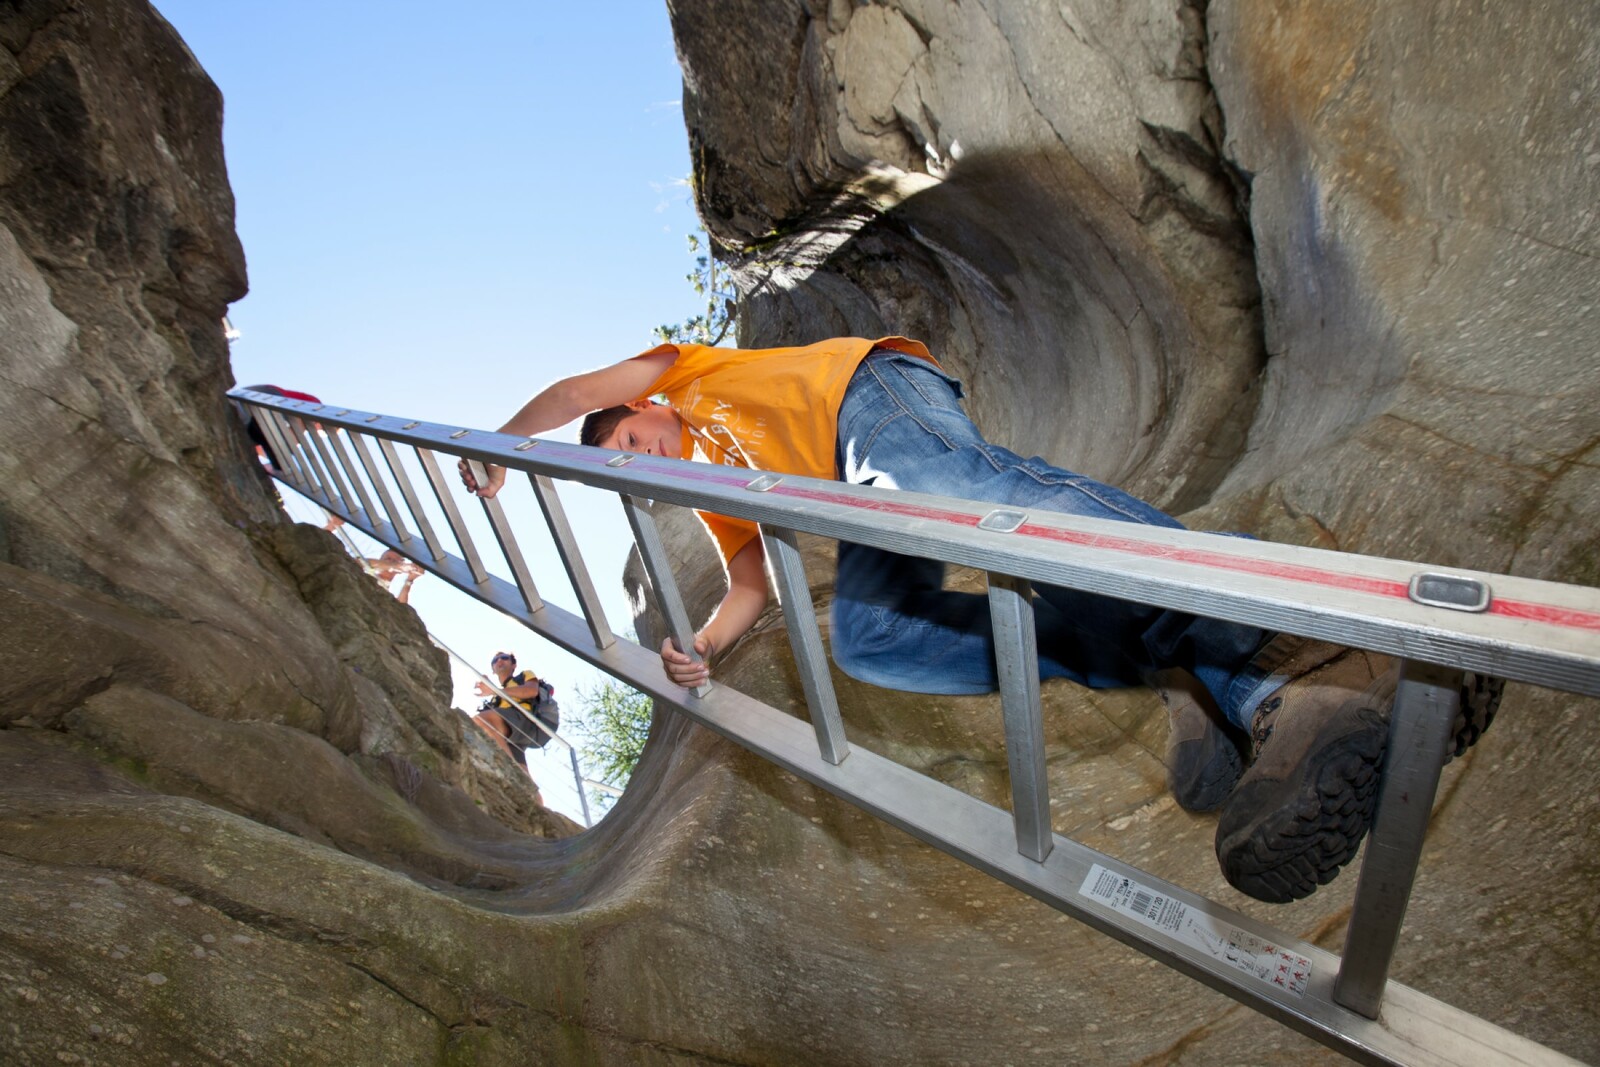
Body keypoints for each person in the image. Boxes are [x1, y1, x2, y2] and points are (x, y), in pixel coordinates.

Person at [460, 337, 1490, 903]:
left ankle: (1304, 648)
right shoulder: (719, 493)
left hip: (871, 403)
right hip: (851, 498)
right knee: (869, 641)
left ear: (653, 409)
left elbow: (575, 387)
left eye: (635, 440)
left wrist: (512, 440)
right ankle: (1195, 675)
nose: (647, 453)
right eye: (629, 467)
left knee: (944, 486)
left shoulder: (683, 374)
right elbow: (749, 582)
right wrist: (704, 650)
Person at [471, 652, 558, 771]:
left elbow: (531, 691)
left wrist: (494, 690)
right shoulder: (495, 699)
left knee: (481, 720)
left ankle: (510, 771)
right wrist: (495, 691)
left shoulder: (524, 676)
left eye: (505, 658)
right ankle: (526, 785)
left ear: (514, 665)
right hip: (513, 732)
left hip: (526, 719)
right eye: (495, 660)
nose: (499, 660)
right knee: (522, 772)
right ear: (493, 670)